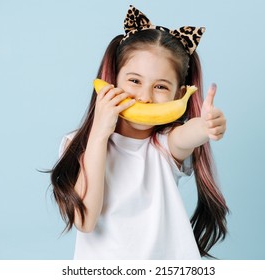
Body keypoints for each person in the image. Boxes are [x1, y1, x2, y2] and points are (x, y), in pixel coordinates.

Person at [50, 5, 228, 259]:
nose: (145, 96)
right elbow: (84, 220)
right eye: (134, 81)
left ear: (179, 95)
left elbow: (188, 134)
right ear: (112, 82)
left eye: (161, 86)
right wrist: (99, 134)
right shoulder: (79, 144)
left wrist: (205, 125)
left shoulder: (166, 145)